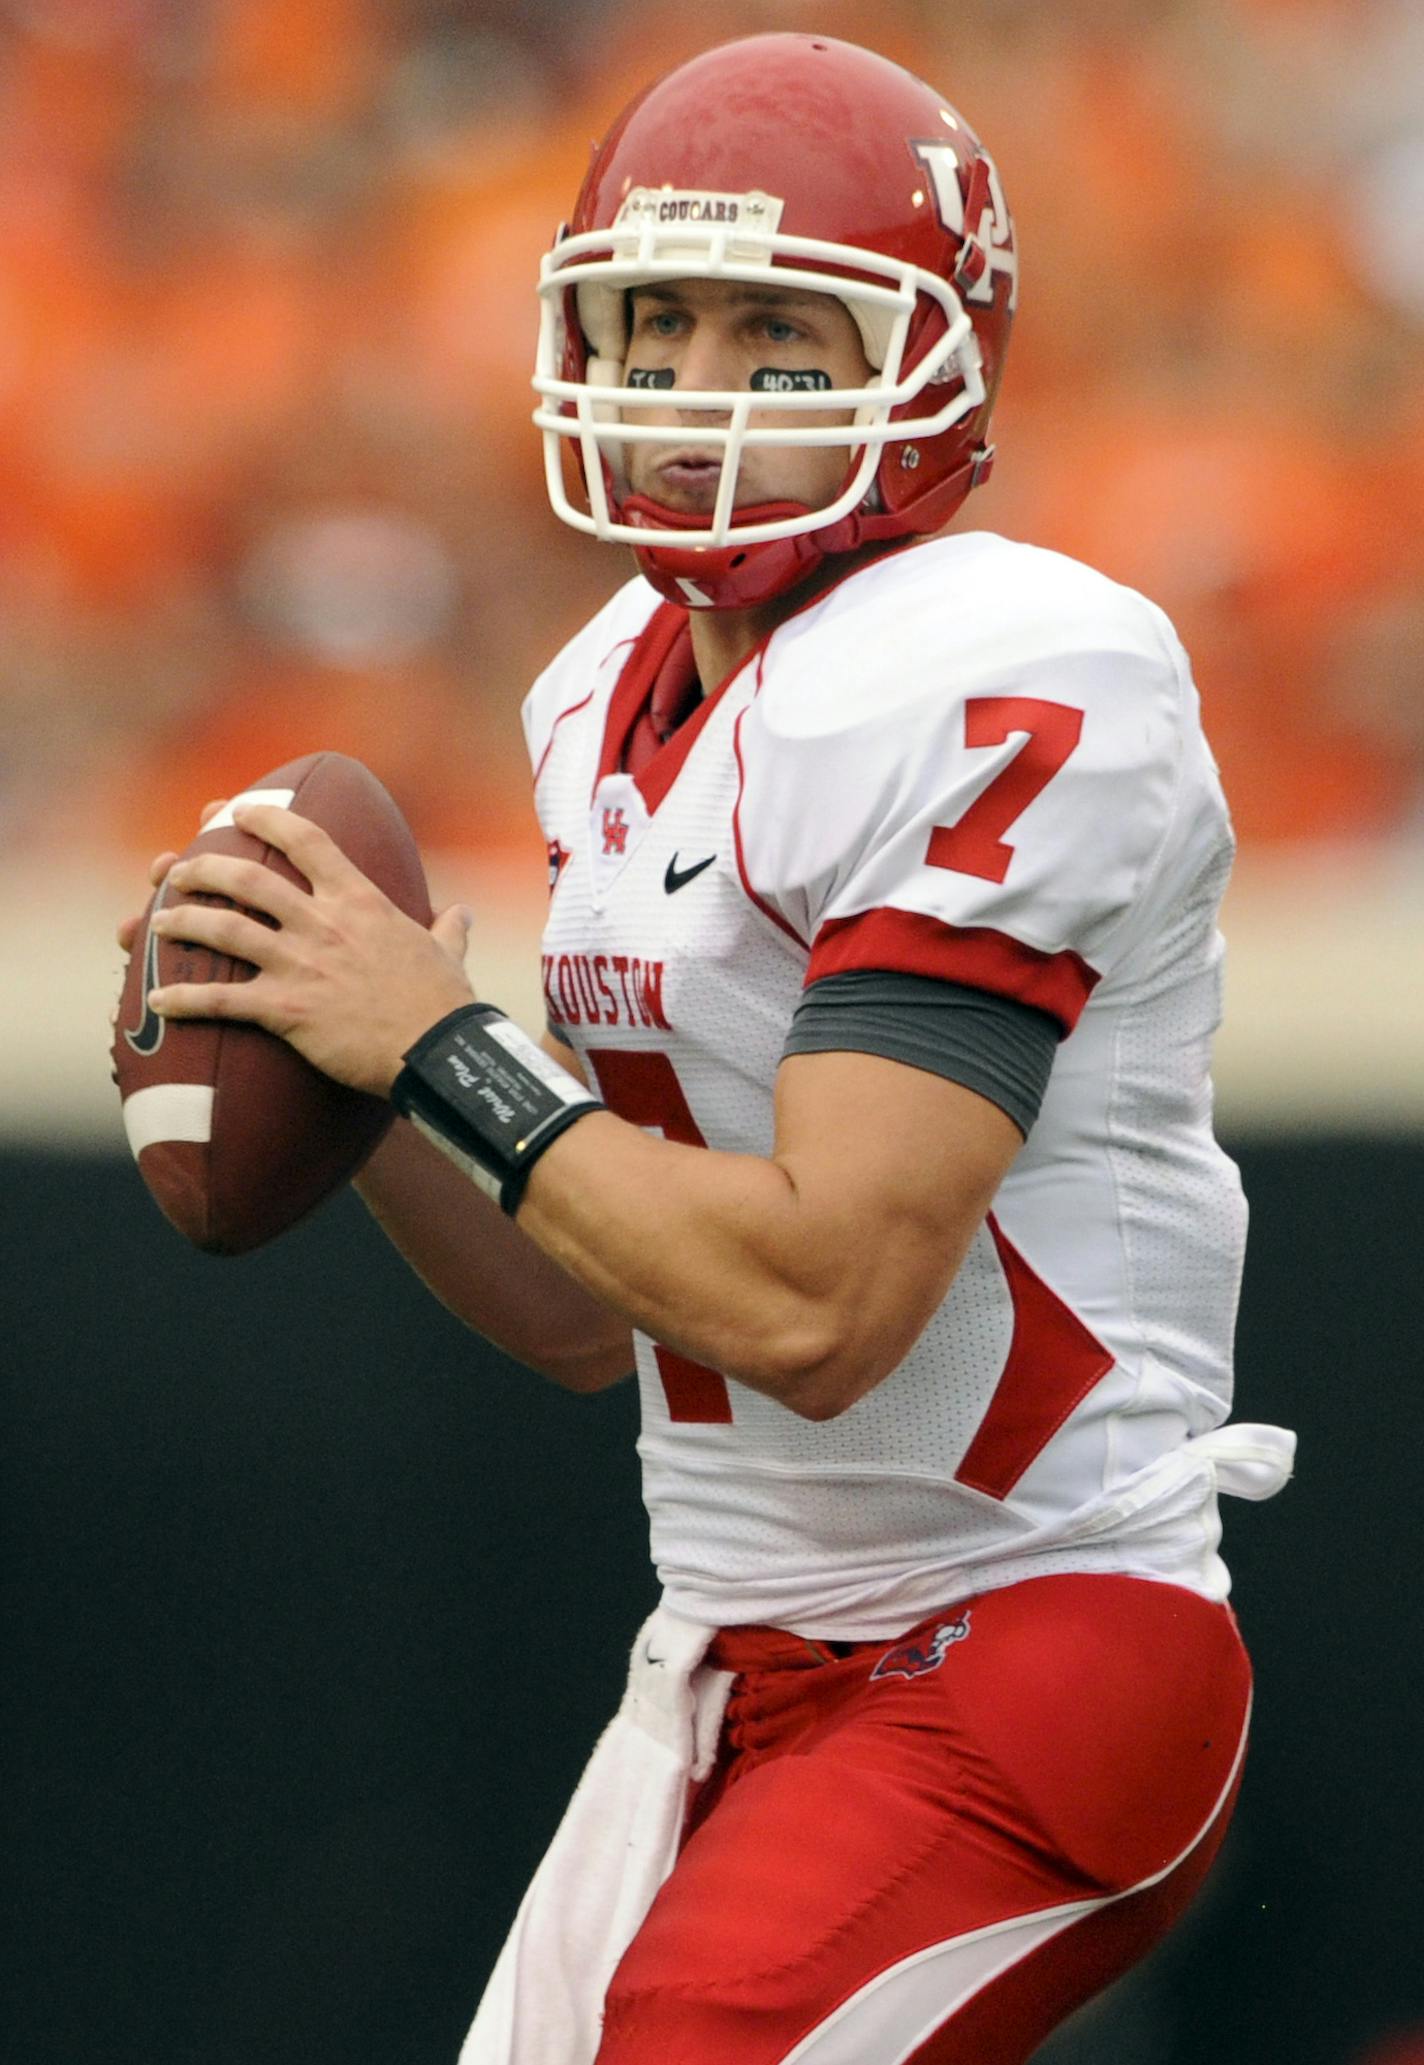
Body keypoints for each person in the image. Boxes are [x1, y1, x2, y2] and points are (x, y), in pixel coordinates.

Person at [123, 33, 1295, 2065]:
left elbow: (824, 1296)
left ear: (932, 358)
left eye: (775, 330)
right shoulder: (608, 692)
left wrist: (450, 1039)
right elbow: (599, 1315)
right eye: (652, 322)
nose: (692, 385)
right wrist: (364, 1055)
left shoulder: (1008, 666)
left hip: (1020, 1643)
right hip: (733, 1665)